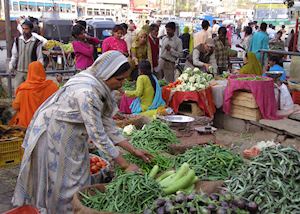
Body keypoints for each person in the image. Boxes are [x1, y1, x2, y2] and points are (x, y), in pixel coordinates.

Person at [12, 51, 152, 213]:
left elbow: (108, 125)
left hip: (71, 132)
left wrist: (133, 150)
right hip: (54, 133)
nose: (121, 85)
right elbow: (98, 134)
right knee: (62, 182)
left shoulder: (98, 84)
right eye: (119, 79)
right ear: (106, 74)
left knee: (75, 176)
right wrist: (125, 164)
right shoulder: (88, 93)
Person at [9, 61, 58, 128]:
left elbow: (16, 106)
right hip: (46, 125)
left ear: (29, 72)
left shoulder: (23, 89)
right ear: (42, 71)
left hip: (26, 126)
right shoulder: (52, 87)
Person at [9, 20, 43, 90]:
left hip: (31, 73)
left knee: (30, 92)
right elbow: (14, 55)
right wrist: (11, 66)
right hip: (19, 72)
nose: (24, 31)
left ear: (31, 29)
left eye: (26, 29)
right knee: (18, 92)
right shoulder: (17, 40)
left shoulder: (37, 42)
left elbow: (39, 58)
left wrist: (39, 71)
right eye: (23, 29)